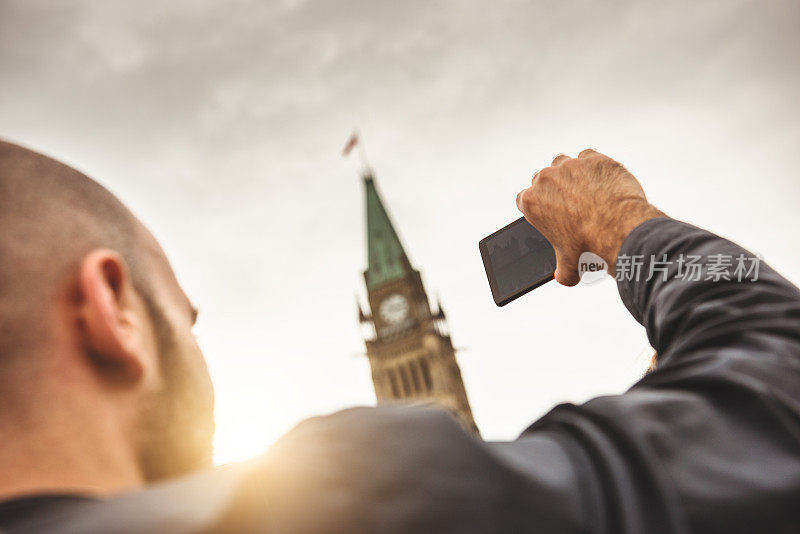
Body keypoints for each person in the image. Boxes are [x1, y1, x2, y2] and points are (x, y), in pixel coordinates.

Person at [0, 140, 798, 533]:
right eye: (186, 316)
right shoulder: (324, 506)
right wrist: (618, 220)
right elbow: (777, 386)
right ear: (112, 309)